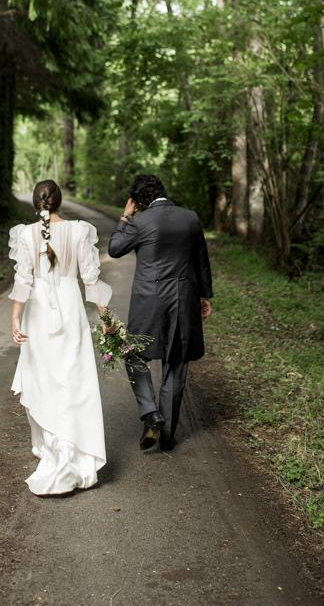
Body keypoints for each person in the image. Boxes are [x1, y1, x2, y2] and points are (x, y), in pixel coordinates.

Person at [8, 179, 113, 496]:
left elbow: (23, 280)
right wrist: (106, 318)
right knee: (73, 380)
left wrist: (14, 318)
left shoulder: (25, 234)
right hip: (69, 309)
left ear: (35, 203)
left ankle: (55, 453)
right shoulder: (80, 231)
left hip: (38, 313)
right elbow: (91, 279)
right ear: (60, 201)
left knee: (45, 379)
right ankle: (75, 457)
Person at [108, 174, 213, 452]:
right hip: (184, 299)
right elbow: (201, 259)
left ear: (139, 200)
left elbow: (115, 249)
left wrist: (124, 217)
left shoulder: (140, 221)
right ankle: (167, 435)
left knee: (134, 354)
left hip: (149, 301)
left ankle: (150, 412)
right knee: (176, 363)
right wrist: (204, 296)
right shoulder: (190, 217)